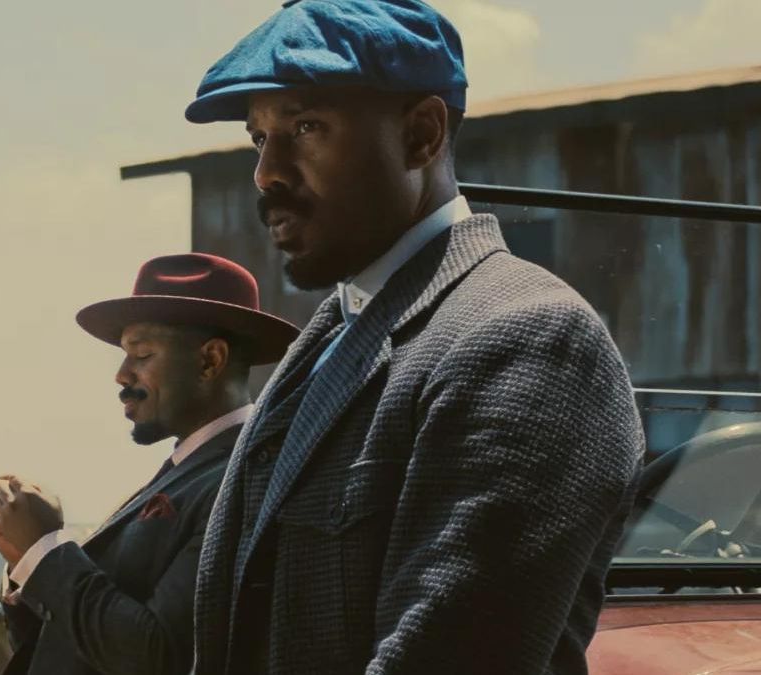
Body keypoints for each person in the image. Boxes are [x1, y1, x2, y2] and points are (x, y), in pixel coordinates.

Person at [182, 1, 645, 673]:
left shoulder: (524, 337)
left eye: (306, 126)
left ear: (422, 134)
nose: (267, 172)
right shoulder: (331, 337)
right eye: (259, 138)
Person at [0, 253, 299, 675]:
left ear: (210, 360)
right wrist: (27, 562)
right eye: (124, 354)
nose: (121, 374)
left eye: (142, 354)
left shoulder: (245, 478)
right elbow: (82, 645)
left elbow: (156, 655)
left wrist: (47, 552)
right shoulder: (190, 471)